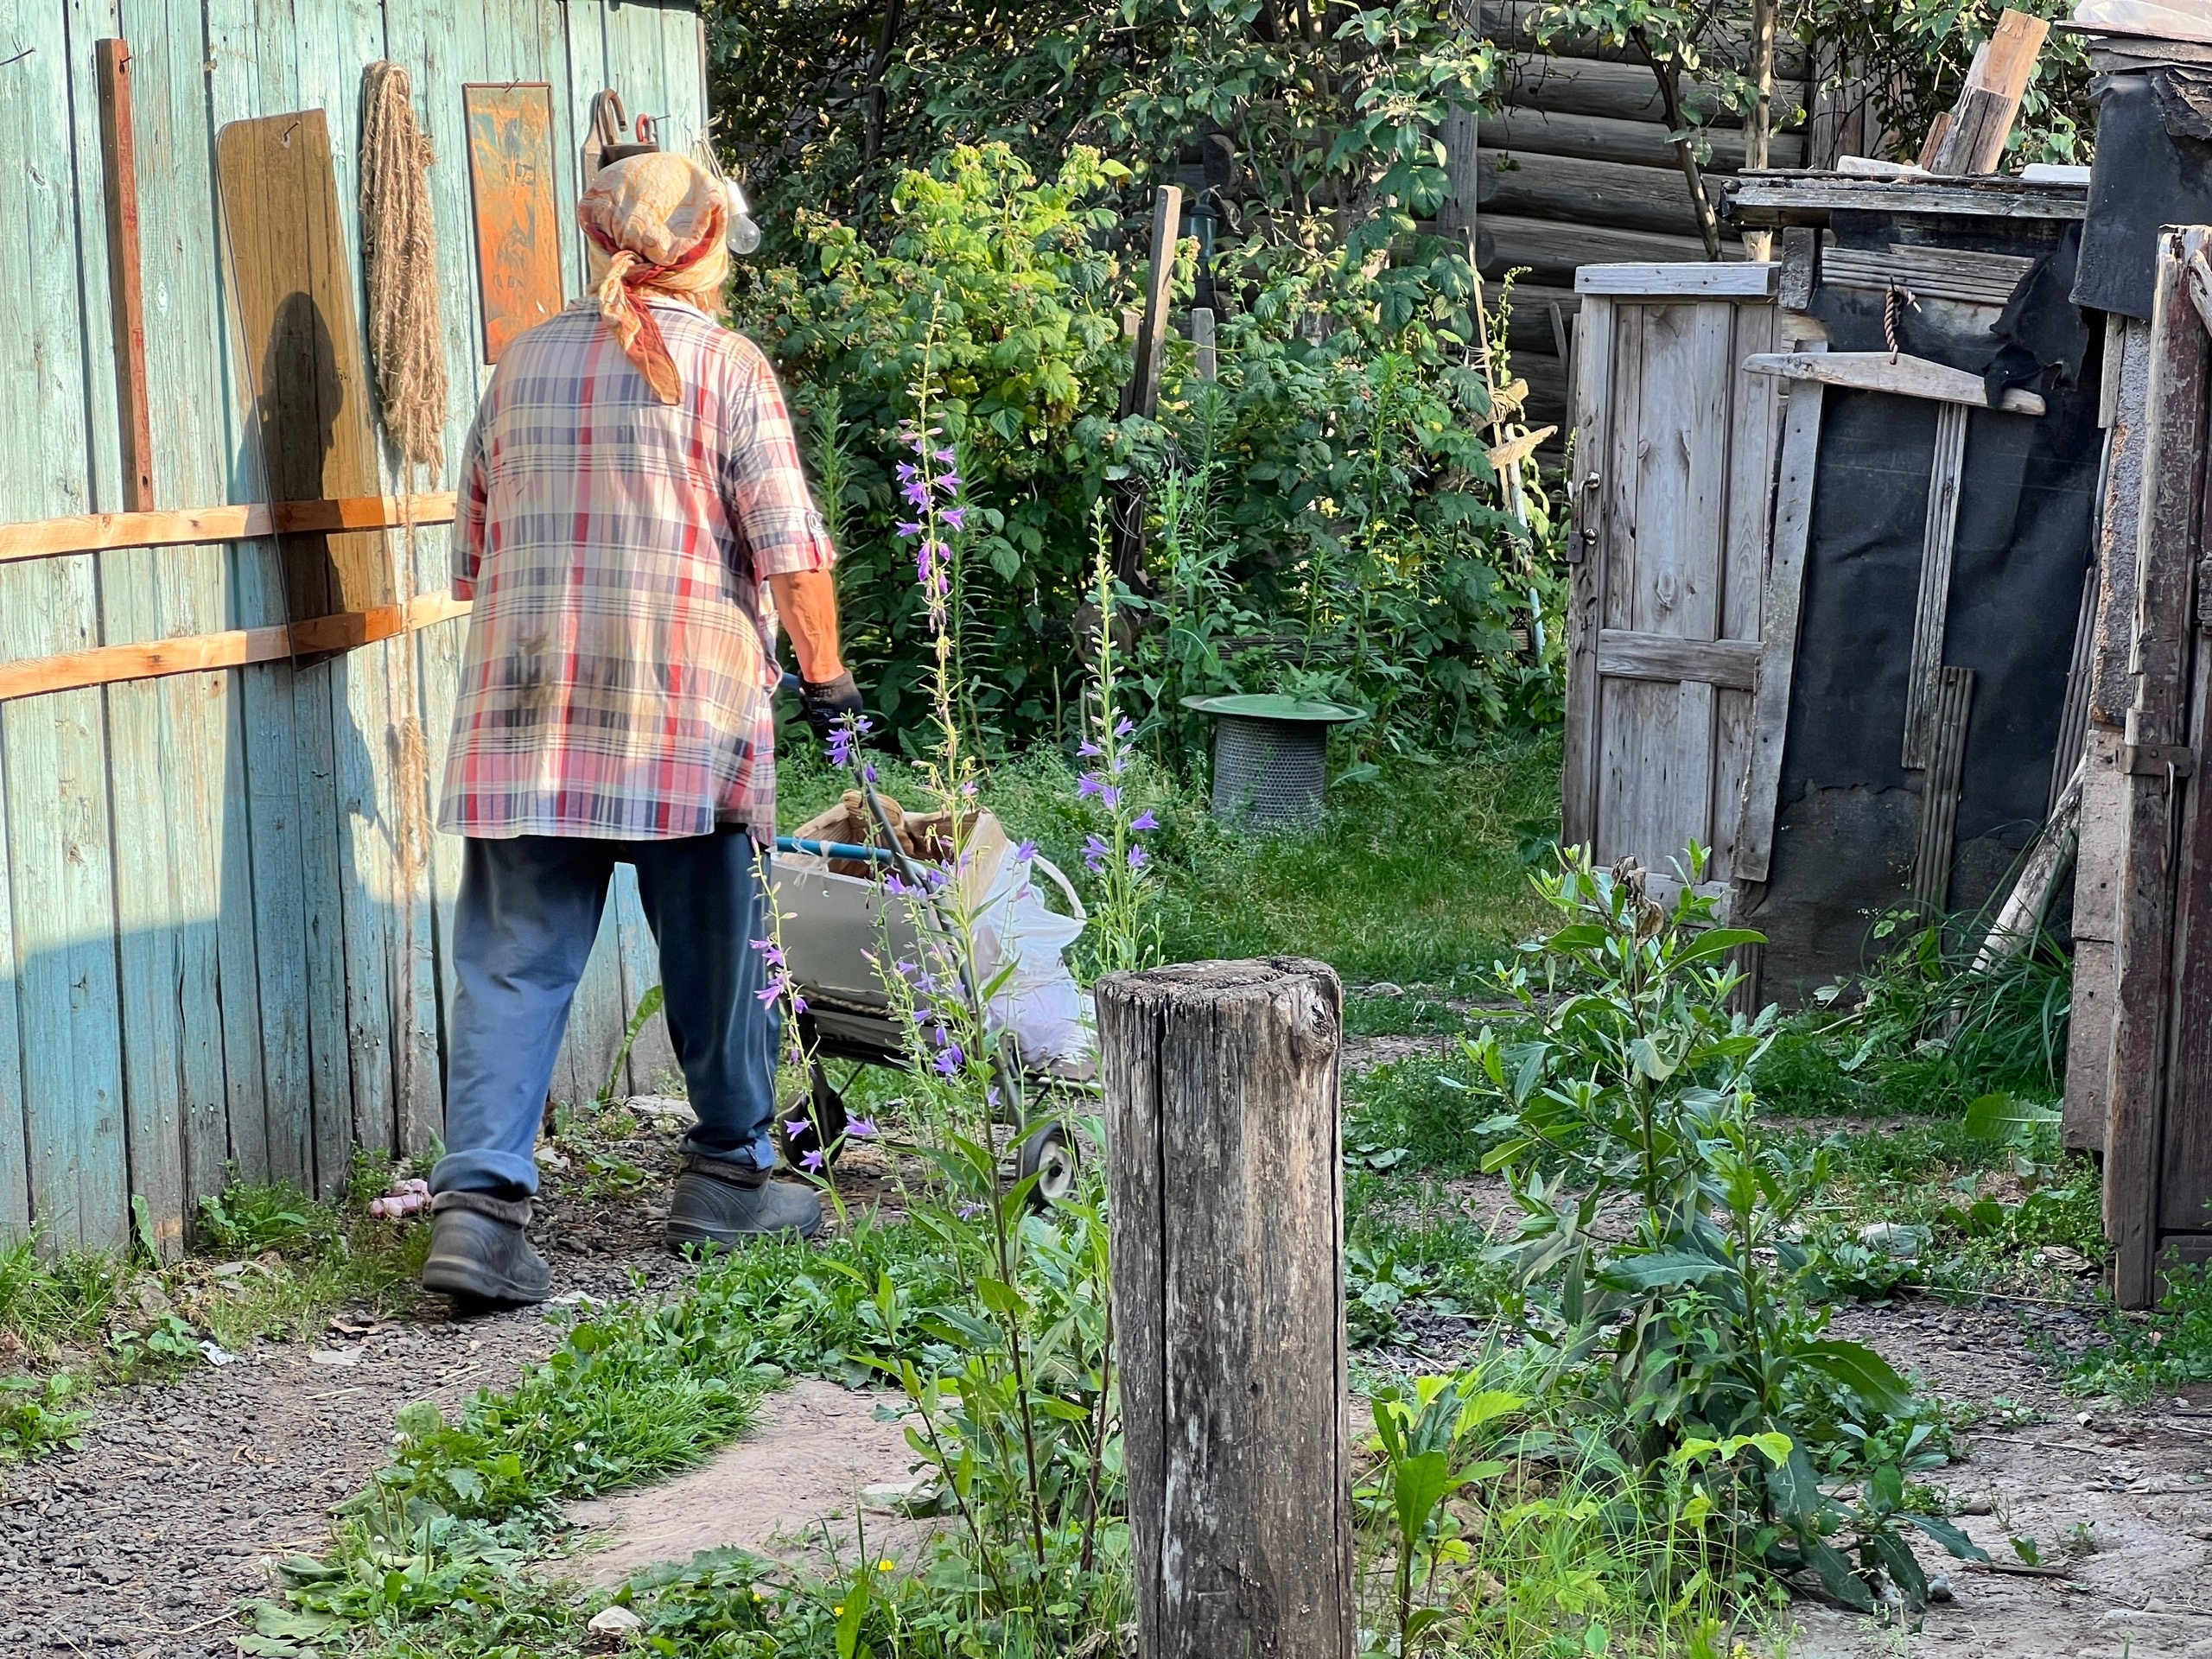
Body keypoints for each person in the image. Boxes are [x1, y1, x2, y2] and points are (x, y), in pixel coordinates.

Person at [419, 151, 861, 1306]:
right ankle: (728, 1176)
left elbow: (472, 563)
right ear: (705, 245)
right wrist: (829, 683)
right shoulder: (728, 367)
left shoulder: (521, 364)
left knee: (511, 965)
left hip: (526, 719)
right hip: (686, 726)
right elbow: (792, 556)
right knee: (719, 954)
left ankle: (477, 1217)